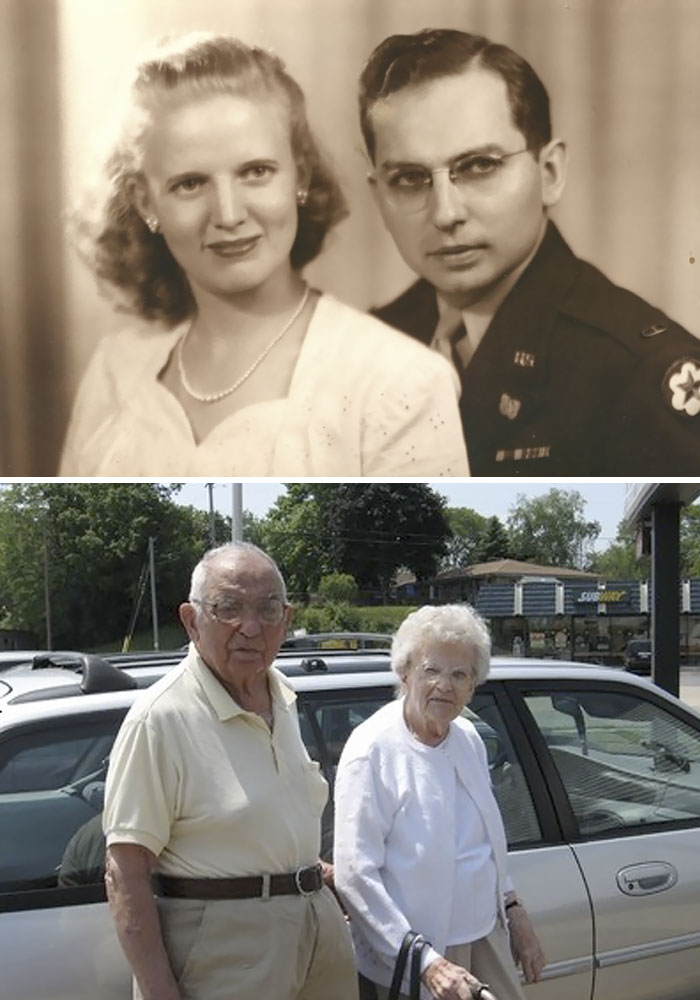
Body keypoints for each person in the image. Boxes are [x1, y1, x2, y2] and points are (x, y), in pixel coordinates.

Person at [59, 32, 468, 477]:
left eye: (255, 172)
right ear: (145, 203)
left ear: (300, 176)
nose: (229, 215)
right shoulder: (115, 371)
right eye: (190, 184)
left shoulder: (401, 381)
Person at [358, 27, 700, 475]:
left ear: (550, 172)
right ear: (378, 195)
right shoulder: (369, 347)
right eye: (409, 178)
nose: (445, 213)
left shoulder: (638, 370)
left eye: (479, 166)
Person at [102, 542, 358, 1000]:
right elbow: (125, 872)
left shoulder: (283, 695)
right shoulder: (160, 718)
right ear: (191, 619)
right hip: (226, 948)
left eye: (268, 608)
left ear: (287, 618)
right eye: (229, 608)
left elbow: (245, 827)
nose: (252, 627)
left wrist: (318, 872)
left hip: (316, 934)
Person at [334, 604, 545, 1000]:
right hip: (413, 954)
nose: (444, 685)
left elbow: (485, 844)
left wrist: (514, 910)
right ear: (405, 672)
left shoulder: (467, 738)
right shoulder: (372, 749)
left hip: (485, 934)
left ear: (473, 686)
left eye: (459, 674)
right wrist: (425, 963)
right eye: (431, 670)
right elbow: (355, 874)